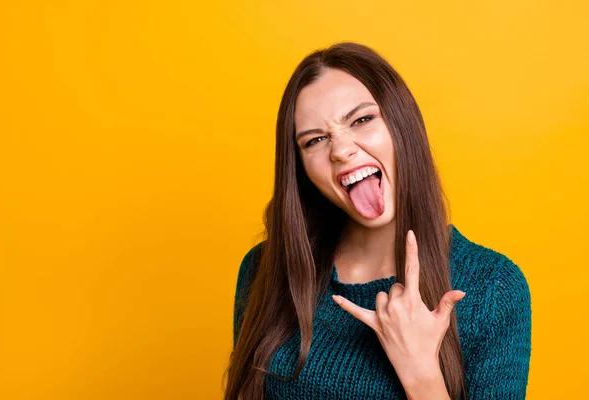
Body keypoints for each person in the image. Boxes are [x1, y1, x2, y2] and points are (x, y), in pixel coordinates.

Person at [223, 42, 532, 400]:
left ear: (402, 125)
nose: (340, 150)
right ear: (302, 169)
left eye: (362, 120)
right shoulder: (266, 270)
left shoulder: (493, 289)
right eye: (316, 140)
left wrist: (420, 373)